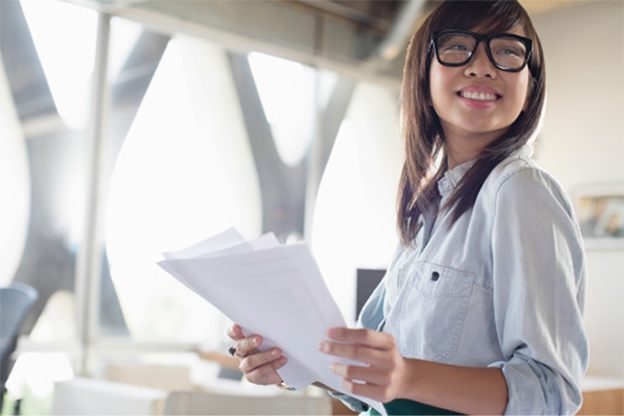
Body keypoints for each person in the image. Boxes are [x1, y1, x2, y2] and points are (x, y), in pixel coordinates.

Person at [227, 1, 589, 414]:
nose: (482, 66)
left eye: (507, 51)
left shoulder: (519, 190)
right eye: (457, 47)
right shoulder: (427, 207)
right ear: (423, 75)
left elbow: (550, 392)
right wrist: (295, 360)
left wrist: (407, 376)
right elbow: (374, 375)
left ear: (531, 85)